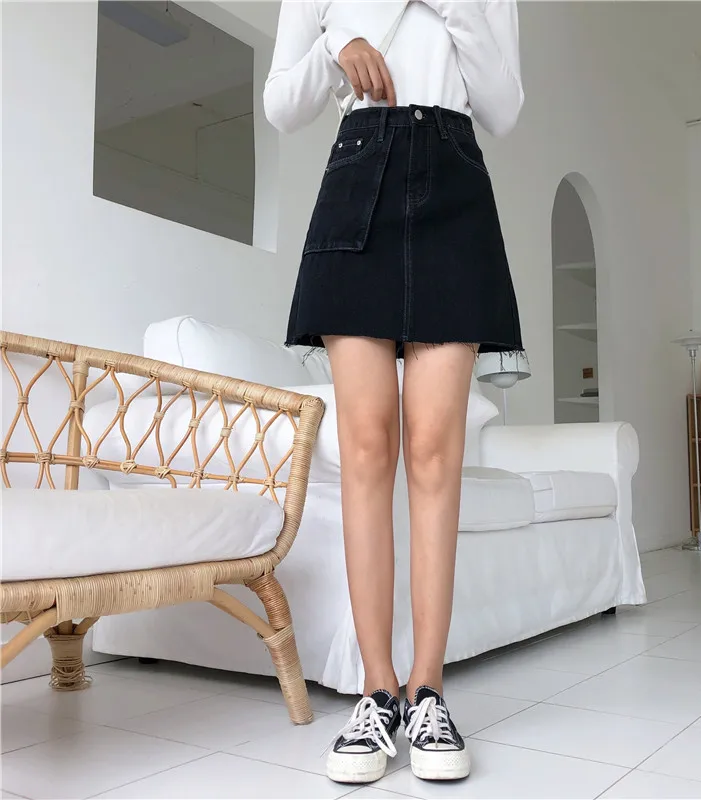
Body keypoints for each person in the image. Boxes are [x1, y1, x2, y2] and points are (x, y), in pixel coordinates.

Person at [264, 0, 524, 784]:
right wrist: (338, 43)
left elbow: (504, 108)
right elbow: (282, 106)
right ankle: (376, 692)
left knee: (436, 451)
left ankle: (428, 690)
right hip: (359, 176)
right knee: (368, 447)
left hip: (454, 181)